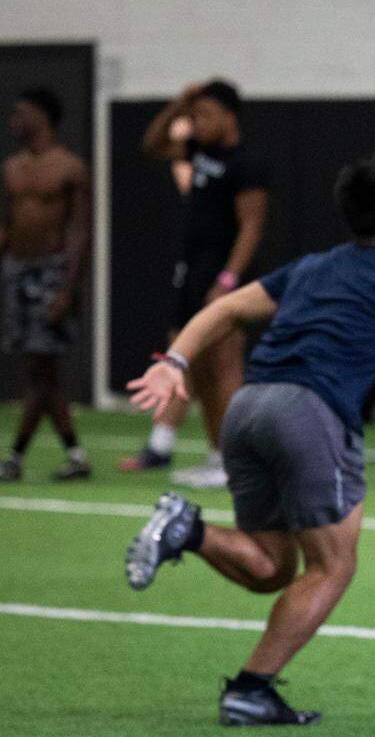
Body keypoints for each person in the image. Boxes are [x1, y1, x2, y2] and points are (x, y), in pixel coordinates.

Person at [123, 149, 375, 726]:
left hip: (247, 411)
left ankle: (186, 528)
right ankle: (251, 687)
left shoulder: (313, 266)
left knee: (273, 567)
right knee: (334, 566)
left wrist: (175, 358)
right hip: (309, 414)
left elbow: (224, 310)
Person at [118, 80, 269, 488]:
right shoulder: (199, 152)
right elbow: (153, 144)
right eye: (194, 116)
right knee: (191, 366)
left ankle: (236, 460)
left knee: (223, 368)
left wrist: (228, 279)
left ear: (228, 116)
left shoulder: (246, 163)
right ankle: (216, 454)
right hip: (192, 271)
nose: (195, 123)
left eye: (204, 115)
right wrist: (181, 102)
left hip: (222, 276)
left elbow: (252, 226)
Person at [0, 88, 92, 482]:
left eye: (21, 113)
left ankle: (16, 456)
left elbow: (80, 229)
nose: (13, 120)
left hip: (51, 273)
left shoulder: (70, 167)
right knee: (40, 370)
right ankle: (74, 454)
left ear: (42, 116)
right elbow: (9, 224)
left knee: (42, 369)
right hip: (16, 270)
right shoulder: (11, 167)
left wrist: (68, 287)